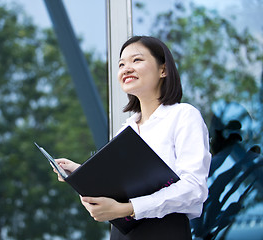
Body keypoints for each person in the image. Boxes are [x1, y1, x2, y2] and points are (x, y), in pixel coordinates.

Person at [53, 36, 211, 240]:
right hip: (122, 234)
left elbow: (193, 188)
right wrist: (79, 173)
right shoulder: (126, 130)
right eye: (121, 64)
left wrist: (128, 208)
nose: (126, 68)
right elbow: (119, 188)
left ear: (164, 70)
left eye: (136, 60)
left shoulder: (183, 115)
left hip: (164, 231)